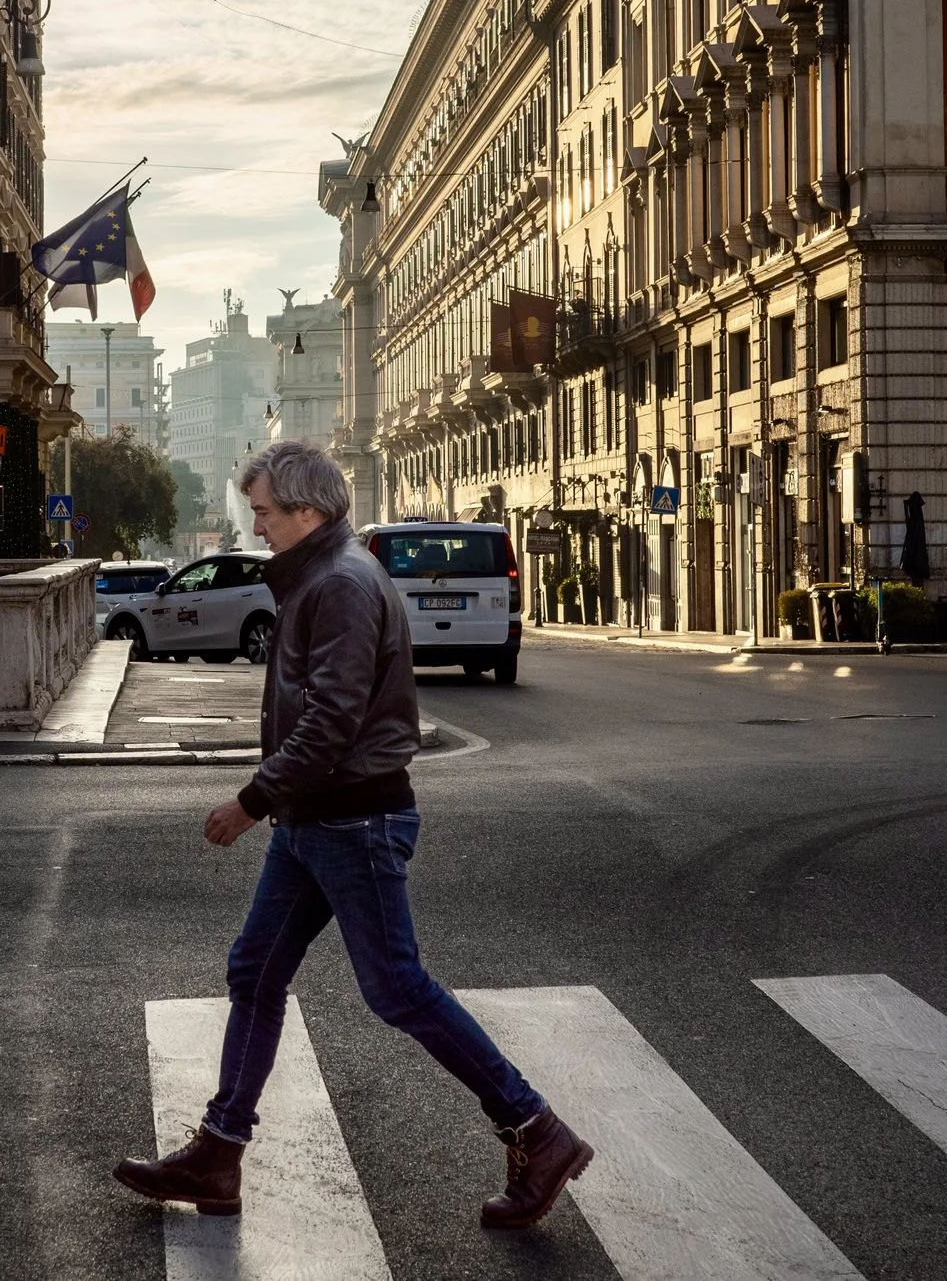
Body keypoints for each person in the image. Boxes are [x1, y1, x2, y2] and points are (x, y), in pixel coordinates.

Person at [113, 441, 593, 1229]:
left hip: (352, 817)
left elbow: (332, 719)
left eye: (265, 511)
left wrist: (251, 799)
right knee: (254, 973)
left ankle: (537, 1128)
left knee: (397, 987)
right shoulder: (319, 575)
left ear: (308, 510)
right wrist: (280, 801)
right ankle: (220, 1152)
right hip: (316, 817)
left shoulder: (338, 583)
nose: (258, 525)